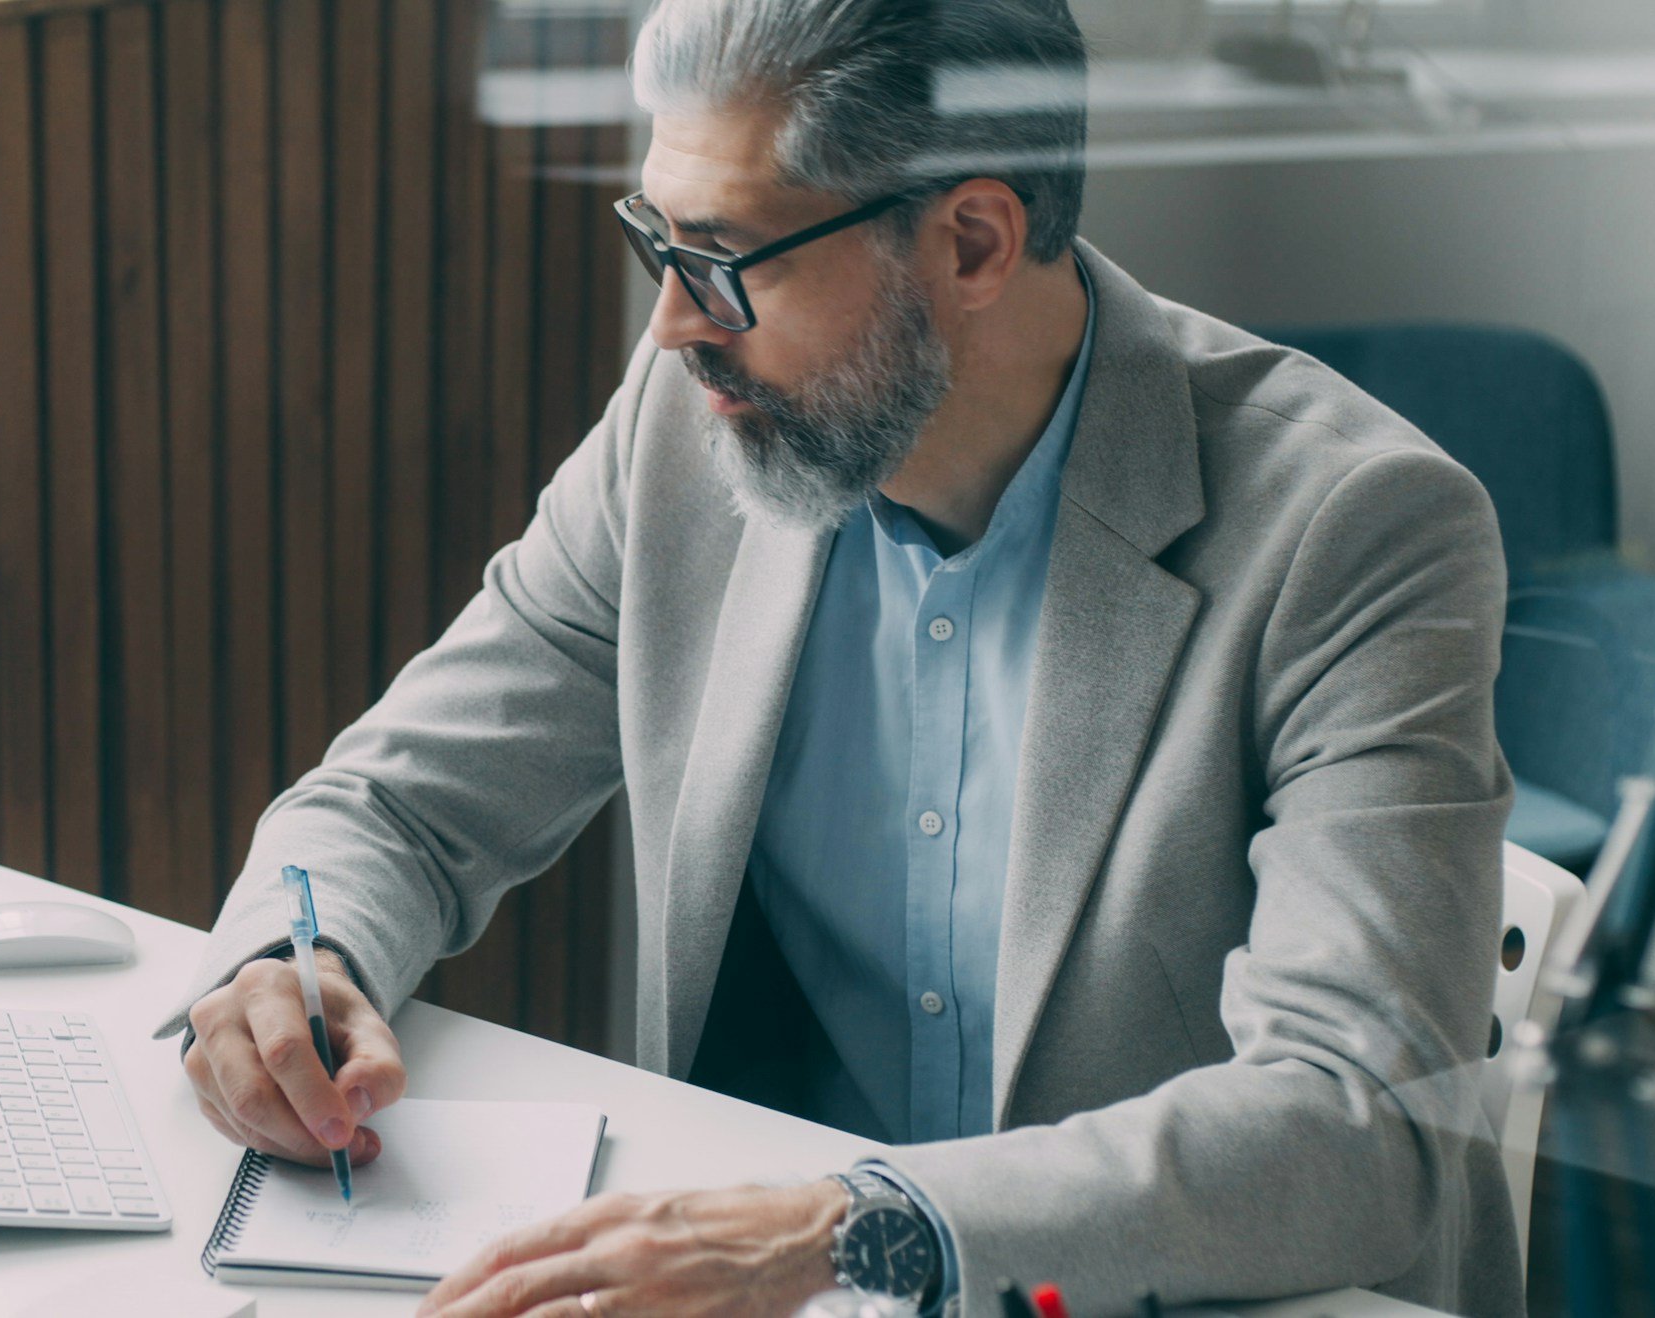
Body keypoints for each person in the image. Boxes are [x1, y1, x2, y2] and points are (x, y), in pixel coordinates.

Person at [157, 0, 1520, 1314]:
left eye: (725, 259)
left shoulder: (1356, 529)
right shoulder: (691, 431)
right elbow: (403, 800)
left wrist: (849, 1230)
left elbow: (1352, 1118)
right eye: (660, 245)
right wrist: (292, 956)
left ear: (975, 241)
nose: (672, 329)